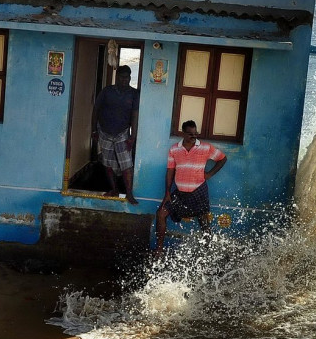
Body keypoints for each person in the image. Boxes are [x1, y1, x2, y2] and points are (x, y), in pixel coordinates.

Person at [155, 120, 228, 250]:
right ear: (183, 133)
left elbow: (222, 158)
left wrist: (210, 174)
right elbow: (170, 171)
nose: (194, 136)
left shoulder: (205, 147)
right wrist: (167, 192)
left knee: (204, 223)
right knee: (161, 214)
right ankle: (159, 250)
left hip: (198, 190)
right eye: (190, 134)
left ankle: (208, 251)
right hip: (180, 193)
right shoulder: (174, 149)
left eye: (195, 133)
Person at [92, 65, 139, 204]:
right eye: (122, 77)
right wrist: (94, 130)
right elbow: (96, 110)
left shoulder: (134, 94)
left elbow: (135, 115)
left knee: (126, 165)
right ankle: (114, 190)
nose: (125, 80)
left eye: (127, 77)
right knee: (107, 164)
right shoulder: (107, 91)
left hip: (122, 133)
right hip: (104, 132)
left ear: (130, 78)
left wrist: (133, 136)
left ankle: (129, 193)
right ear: (117, 77)